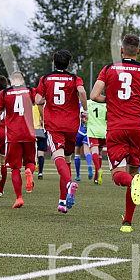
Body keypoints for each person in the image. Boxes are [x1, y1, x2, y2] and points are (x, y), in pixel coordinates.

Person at [90, 34, 140, 232]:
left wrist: (112, 99)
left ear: (121, 50)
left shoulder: (109, 69)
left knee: (117, 175)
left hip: (117, 127)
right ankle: (127, 222)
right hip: (138, 127)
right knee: (134, 171)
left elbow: (94, 95)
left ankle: (132, 183)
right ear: (138, 51)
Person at [35, 50, 89, 213]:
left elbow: (38, 100)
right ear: (68, 64)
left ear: (54, 63)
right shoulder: (74, 78)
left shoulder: (45, 79)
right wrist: (85, 110)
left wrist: (43, 116)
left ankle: (68, 184)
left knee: (57, 157)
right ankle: (62, 202)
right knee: (67, 160)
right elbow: (82, 92)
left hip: (54, 124)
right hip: (72, 125)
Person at [0, 71, 37, 209]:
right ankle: (29, 172)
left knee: (15, 167)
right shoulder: (30, 90)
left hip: (13, 135)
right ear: (23, 81)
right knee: (30, 162)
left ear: (11, 81)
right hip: (29, 133)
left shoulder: (4, 93)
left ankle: (19, 198)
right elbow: (40, 101)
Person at [86, 99, 107, 184]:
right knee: (100, 153)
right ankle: (96, 177)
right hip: (103, 130)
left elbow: (82, 115)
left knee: (94, 151)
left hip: (92, 130)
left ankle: (98, 169)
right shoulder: (105, 103)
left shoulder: (87, 103)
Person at [73, 111, 93, 182]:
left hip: (78, 130)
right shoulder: (86, 106)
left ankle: (78, 175)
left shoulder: (75, 105)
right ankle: (90, 166)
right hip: (86, 130)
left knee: (77, 151)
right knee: (87, 150)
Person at [32, 103, 48, 180]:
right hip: (41, 130)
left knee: (32, 152)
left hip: (32, 130)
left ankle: (30, 171)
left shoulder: (29, 106)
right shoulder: (43, 106)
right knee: (41, 152)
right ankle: (40, 172)